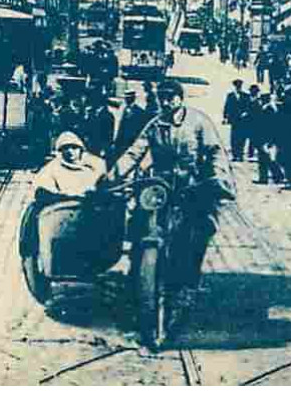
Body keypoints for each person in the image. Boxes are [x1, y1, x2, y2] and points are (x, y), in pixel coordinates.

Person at [110, 80, 234, 316]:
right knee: (139, 221)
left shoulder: (198, 122)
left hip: (191, 185)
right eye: (162, 97)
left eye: (170, 97)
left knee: (197, 230)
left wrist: (218, 179)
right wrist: (110, 178)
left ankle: (188, 284)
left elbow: (215, 152)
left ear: (180, 98)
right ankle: (138, 277)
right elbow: (135, 152)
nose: (166, 102)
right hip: (160, 184)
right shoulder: (155, 125)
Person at [33, 131, 107, 200]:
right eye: (66, 148)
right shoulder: (53, 167)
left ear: (80, 149)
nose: (70, 151)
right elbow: (42, 188)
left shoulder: (95, 165)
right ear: (61, 151)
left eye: (74, 148)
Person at [222, 79, 249, 162]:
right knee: (234, 137)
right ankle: (235, 154)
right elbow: (226, 107)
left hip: (243, 120)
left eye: (239, 86)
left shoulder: (245, 96)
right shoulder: (230, 96)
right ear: (235, 87)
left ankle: (240, 155)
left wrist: (245, 113)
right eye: (237, 86)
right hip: (234, 120)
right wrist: (225, 117)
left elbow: (248, 107)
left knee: (242, 137)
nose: (238, 88)